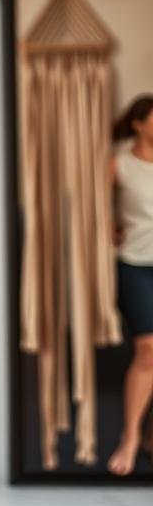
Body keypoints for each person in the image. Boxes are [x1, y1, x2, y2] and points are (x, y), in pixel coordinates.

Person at [109, 95, 153, 476]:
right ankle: (131, 436)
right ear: (138, 123)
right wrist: (109, 229)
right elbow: (94, 207)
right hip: (135, 266)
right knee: (148, 350)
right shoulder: (119, 165)